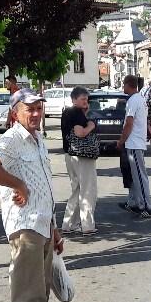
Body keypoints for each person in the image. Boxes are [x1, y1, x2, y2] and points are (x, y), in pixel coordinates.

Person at [0, 88, 64, 302]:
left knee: (40, 296)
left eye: (39, 108)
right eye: (30, 109)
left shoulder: (37, 139)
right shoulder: (12, 138)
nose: (37, 113)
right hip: (26, 228)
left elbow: (45, 187)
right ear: (15, 113)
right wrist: (18, 184)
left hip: (42, 225)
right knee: (28, 297)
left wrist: (54, 227)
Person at [60, 86, 99, 236]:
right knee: (88, 189)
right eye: (82, 99)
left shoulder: (67, 112)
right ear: (74, 99)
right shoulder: (75, 112)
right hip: (82, 155)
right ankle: (87, 225)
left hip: (70, 154)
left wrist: (85, 114)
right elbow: (80, 133)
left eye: (87, 99)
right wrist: (91, 125)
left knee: (76, 189)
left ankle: (68, 224)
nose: (85, 102)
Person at [117, 75, 151, 219]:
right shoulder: (140, 99)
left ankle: (147, 207)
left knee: (139, 176)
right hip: (136, 142)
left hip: (134, 143)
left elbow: (129, 123)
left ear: (128, 85)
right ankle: (135, 203)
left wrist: (121, 140)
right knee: (135, 176)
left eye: (123, 85)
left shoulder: (133, 100)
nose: (123, 88)